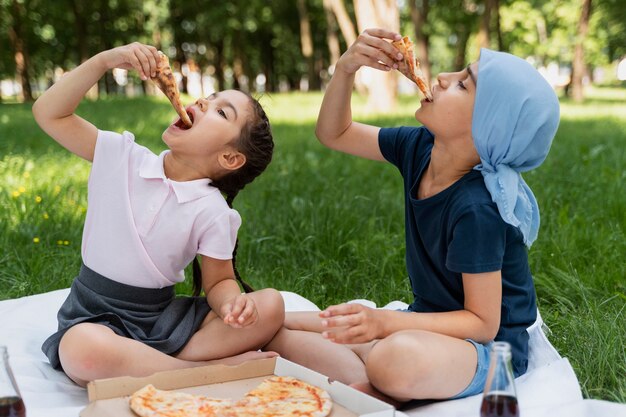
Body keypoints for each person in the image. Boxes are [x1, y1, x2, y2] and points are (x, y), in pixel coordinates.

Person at [265, 28, 560, 404]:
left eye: (462, 85)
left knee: (394, 356)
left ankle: (381, 374)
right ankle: (374, 385)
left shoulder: (477, 209)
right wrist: (346, 70)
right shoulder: (419, 147)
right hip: (423, 326)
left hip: (485, 351)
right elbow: (335, 133)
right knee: (279, 327)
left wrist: (385, 323)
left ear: (486, 129)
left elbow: (482, 324)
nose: (441, 77)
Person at [33, 42, 284, 387]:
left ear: (230, 159)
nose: (202, 102)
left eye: (221, 112)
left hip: (161, 320)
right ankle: (199, 372)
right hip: (94, 315)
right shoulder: (122, 157)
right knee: (80, 349)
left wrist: (231, 305)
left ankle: (149, 362)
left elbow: (218, 282)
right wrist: (105, 61)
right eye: (209, 97)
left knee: (271, 305)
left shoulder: (213, 212)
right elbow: (49, 112)